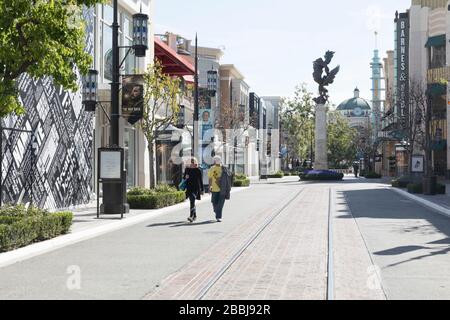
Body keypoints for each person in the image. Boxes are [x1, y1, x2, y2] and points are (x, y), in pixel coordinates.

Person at [208, 156, 231, 222]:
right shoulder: (213, 168)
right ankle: (217, 212)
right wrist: (210, 187)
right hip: (218, 189)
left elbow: (210, 179)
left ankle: (218, 216)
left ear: (214, 161)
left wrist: (209, 187)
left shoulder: (224, 168)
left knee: (219, 203)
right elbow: (210, 178)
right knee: (215, 202)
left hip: (221, 189)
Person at [183, 157, 204, 223]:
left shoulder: (198, 170)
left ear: (195, 163)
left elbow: (200, 180)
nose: (192, 164)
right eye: (191, 162)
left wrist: (202, 189)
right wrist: (186, 177)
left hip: (195, 188)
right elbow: (184, 178)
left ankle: (191, 216)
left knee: (192, 201)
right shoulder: (187, 169)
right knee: (192, 202)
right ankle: (194, 216)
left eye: (193, 162)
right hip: (189, 188)